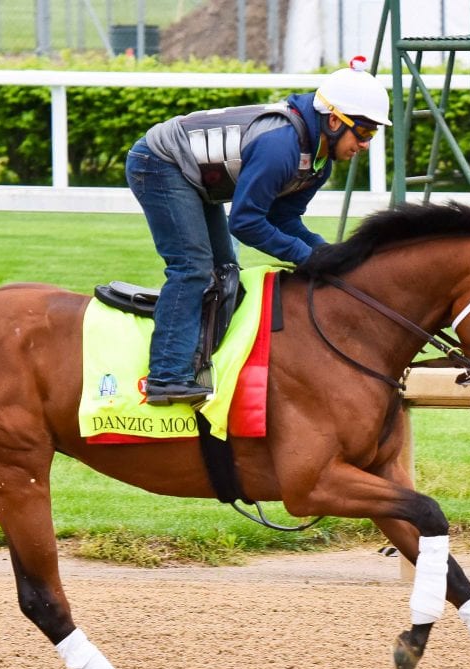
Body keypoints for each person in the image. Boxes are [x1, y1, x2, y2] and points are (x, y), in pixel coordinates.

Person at [126, 56, 392, 406]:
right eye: (364, 132)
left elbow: (284, 220)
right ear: (333, 121)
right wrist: (308, 257)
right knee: (192, 267)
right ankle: (165, 377)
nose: (365, 144)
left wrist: (329, 253)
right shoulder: (280, 147)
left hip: (198, 177)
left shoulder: (319, 161)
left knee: (225, 272)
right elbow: (246, 222)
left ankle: (201, 363)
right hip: (160, 163)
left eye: (373, 134)